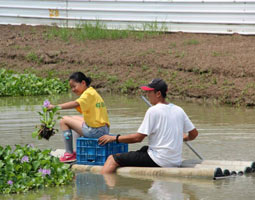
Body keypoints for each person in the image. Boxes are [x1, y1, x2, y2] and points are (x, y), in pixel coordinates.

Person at [98, 78, 198, 174]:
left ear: (158, 94)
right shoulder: (179, 110)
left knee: (112, 159)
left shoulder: (153, 111)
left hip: (159, 161)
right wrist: (182, 138)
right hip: (176, 161)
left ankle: (104, 188)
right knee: (144, 149)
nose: (147, 95)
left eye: (149, 92)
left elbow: (138, 138)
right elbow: (194, 134)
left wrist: (114, 138)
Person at [47, 72, 110, 162]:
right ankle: (78, 151)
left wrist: (55, 107)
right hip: (103, 129)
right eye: (71, 87)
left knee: (63, 120)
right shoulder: (92, 91)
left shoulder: (87, 94)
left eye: (74, 86)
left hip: (96, 132)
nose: (73, 89)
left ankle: (69, 154)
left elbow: (75, 103)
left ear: (83, 83)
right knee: (74, 118)